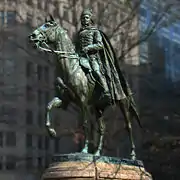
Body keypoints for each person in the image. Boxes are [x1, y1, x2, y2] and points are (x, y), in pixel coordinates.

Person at [75, 8, 110, 97]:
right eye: (83, 18)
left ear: (90, 19)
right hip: (80, 57)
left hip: (92, 58)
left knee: (96, 71)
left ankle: (106, 90)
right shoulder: (79, 33)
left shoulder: (95, 31)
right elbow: (76, 45)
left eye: (86, 17)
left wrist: (88, 48)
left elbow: (100, 45)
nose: (84, 19)